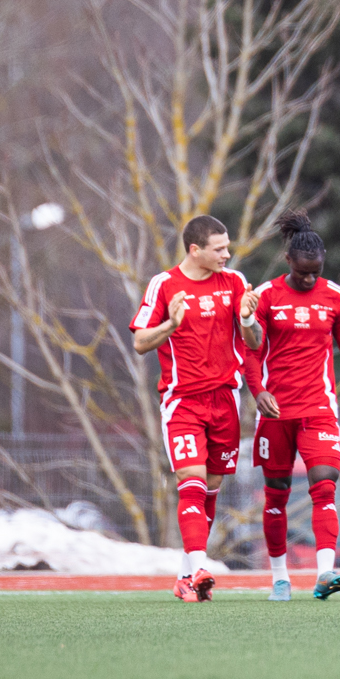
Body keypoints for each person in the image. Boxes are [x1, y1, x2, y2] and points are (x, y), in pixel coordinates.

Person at [130, 215, 263, 603]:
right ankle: (200, 565)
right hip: (183, 401)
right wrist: (171, 324)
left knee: (212, 486)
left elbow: (253, 341)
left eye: (227, 247)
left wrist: (247, 317)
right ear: (195, 250)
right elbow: (140, 342)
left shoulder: (235, 283)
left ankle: (187, 576)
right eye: (219, 248)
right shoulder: (165, 284)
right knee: (190, 478)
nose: (227, 254)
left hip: (226, 399)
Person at [248, 211, 340, 602]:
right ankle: (280, 578)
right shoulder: (266, 296)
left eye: (315, 272)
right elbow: (250, 351)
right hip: (276, 412)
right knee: (276, 494)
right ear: (288, 263)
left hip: (318, 409)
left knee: (324, 487)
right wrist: (257, 390)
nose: (310, 280)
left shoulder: (335, 297)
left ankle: (325, 572)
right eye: (302, 274)